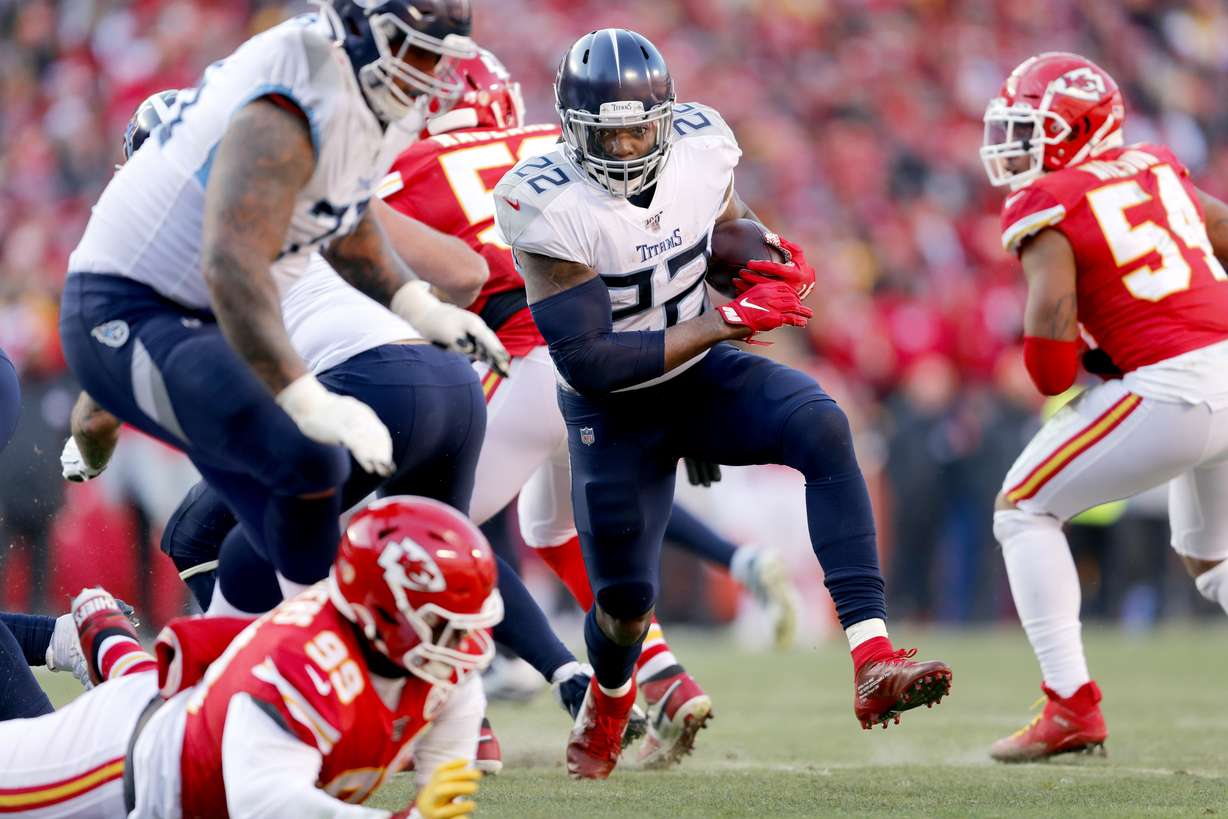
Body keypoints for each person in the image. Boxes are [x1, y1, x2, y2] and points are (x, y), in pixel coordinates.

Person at [493, 29, 953, 779]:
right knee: (622, 605)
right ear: (572, 131)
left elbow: (725, 228)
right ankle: (610, 700)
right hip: (611, 410)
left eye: (641, 126)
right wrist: (725, 320)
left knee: (824, 425)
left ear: (668, 117)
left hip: (698, 372)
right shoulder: (541, 201)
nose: (628, 145)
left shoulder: (702, 145)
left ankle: (872, 656)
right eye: (608, 133)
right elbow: (591, 361)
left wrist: (763, 255)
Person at [377, 46, 797, 768]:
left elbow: (396, 264)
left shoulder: (414, 168)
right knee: (552, 527)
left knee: (414, 528)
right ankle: (661, 674)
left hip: (530, 356)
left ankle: (455, 715)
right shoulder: (566, 145)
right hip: (609, 372)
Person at [57, 1, 496, 617]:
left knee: (285, 520)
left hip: (338, 364)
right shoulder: (278, 112)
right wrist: (307, 397)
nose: (427, 73)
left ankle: (279, 666)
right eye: (414, 51)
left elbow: (350, 230)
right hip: (150, 314)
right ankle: (260, 674)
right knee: (300, 487)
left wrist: (415, 305)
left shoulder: (339, 111)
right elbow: (227, 273)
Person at [980, 52, 1228, 762]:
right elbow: (1221, 230)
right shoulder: (1155, 165)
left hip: (1176, 387)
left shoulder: (1047, 202)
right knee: (1210, 556)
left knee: (1022, 508)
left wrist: (1097, 353)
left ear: (1079, 131)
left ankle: (1071, 705)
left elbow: (1048, 365)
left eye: (1033, 131)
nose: (1017, 146)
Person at [0, 496, 499, 818]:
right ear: (381, 613)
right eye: (444, 622)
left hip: (175, 703)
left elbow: (442, 794)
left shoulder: (440, 669)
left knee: (139, 681)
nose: (464, 643)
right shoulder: (305, 666)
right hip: (123, 760)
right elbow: (261, 803)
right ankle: (94, 630)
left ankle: (96, 628)